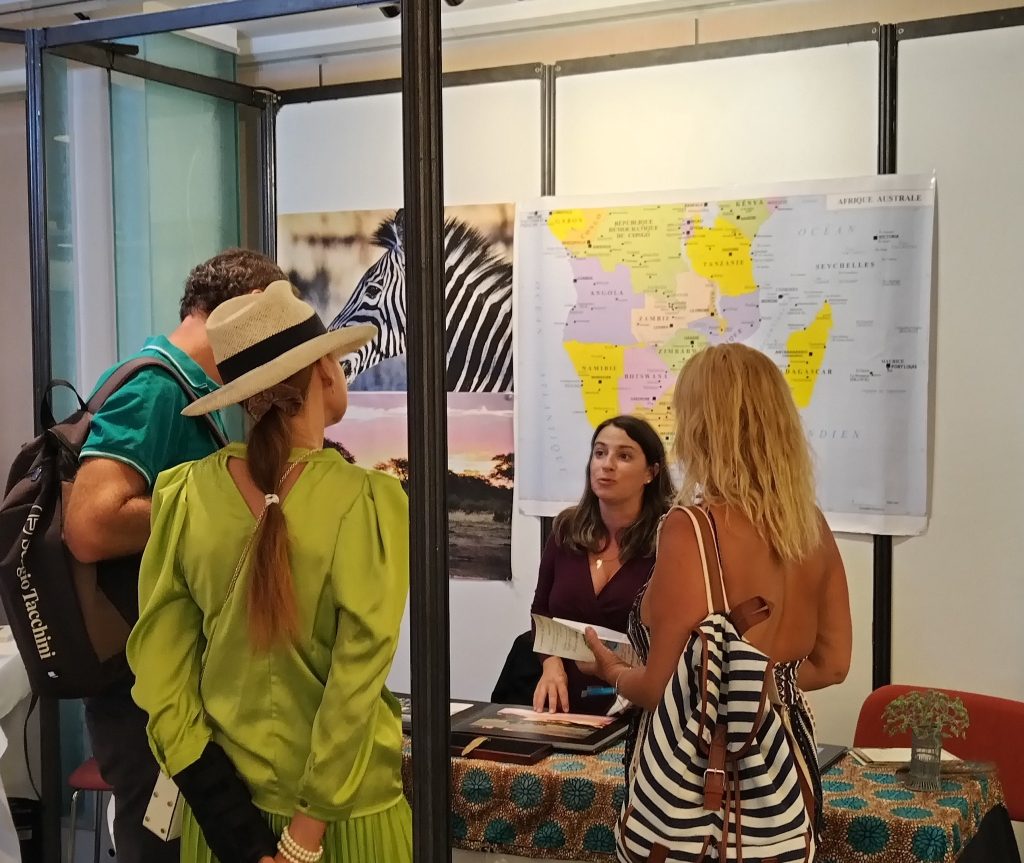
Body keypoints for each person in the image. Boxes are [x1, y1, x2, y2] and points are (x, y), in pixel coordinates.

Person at [126, 280, 411, 863]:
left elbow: (160, 678)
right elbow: (354, 683)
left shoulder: (184, 496)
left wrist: (234, 828)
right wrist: (305, 832)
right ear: (324, 372)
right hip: (348, 819)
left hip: (229, 828)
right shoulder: (369, 501)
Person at [64, 248, 287, 863]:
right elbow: (90, 524)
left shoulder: (189, 392)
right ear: (247, 311)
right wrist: (216, 507)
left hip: (162, 681)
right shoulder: (155, 387)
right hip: (139, 690)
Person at [582, 343, 852, 841]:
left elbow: (658, 688)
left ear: (702, 428)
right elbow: (833, 665)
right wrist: (761, 685)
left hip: (702, 780)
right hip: (788, 770)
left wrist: (611, 670)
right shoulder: (810, 525)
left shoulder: (691, 528)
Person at [532, 415, 674, 715]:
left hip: (636, 704)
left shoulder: (670, 540)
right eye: (599, 453)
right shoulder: (566, 530)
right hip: (560, 699)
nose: (606, 465)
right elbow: (541, 610)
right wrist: (551, 664)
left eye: (623, 456)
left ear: (651, 473)